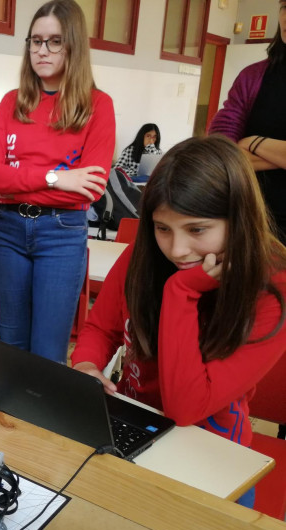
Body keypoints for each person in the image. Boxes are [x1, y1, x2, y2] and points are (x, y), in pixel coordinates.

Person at [72, 136, 286, 508]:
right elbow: (101, 328)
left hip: (214, 458)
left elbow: (186, 409)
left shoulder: (273, 288)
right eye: (162, 228)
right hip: (135, 431)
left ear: (239, 219)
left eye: (197, 229)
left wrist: (181, 293)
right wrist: (87, 365)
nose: (176, 249)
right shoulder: (145, 255)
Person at [0, 0, 115, 363]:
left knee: (48, 354)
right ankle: (8, 420)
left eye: (54, 41)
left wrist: (14, 179)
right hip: (7, 230)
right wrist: (56, 177)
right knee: (12, 348)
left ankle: (40, 422)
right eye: (35, 41)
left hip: (61, 233)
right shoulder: (11, 102)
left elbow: (91, 186)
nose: (42, 50)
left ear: (73, 46)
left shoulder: (97, 105)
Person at [209, 0, 286, 243]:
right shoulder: (252, 77)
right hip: (252, 223)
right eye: (285, 7)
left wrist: (253, 143)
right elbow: (221, 153)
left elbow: (237, 153)